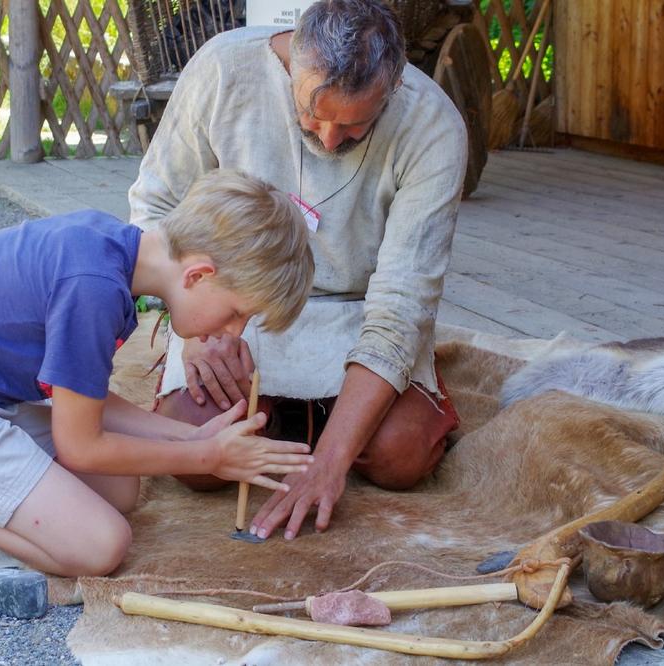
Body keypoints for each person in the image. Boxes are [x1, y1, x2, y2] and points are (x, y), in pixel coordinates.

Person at [0, 169, 316, 577]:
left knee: (119, 491)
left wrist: (189, 436)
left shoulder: (113, 252)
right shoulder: (93, 290)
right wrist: (206, 456)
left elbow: (82, 394)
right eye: (237, 313)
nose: (234, 331)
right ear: (199, 275)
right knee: (99, 547)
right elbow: (81, 446)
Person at [129, 0, 468, 541]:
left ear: (394, 87)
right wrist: (196, 331)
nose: (329, 138)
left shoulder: (433, 125)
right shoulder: (222, 69)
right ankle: (287, 417)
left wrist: (330, 462)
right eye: (313, 111)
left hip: (358, 313)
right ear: (294, 63)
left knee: (400, 455)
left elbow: (403, 304)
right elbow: (155, 209)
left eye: (355, 123)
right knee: (193, 448)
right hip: (236, 306)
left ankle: (309, 424)